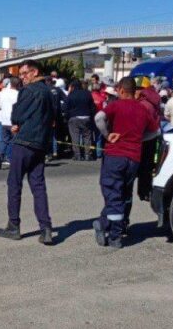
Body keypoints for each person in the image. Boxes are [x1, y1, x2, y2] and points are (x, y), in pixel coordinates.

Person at [92, 76, 160, 248]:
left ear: (122, 90)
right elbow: (155, 131)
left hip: (115, 155)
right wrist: (137, 138)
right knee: (123, 193)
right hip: (134, 158)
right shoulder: (143, 109)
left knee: (112, 192)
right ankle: (108, 224)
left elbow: (99, 118)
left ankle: (112, 233)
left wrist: (107, 135)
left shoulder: (116, 105)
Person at [0, 60, 55, 245]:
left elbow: (17, 114)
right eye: (20, 74)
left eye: (24, 73)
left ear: (34, 71)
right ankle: (46, 228)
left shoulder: (28, 91)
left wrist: (18, 123)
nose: (22, 77)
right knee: (38, 185)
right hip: (41, 143)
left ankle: (14, 225)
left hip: (24, 141)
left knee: (14, 183)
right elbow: (54, 116)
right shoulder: (49, 92)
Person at [64, 79, 97, 161]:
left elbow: (66, 107)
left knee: (75, 137)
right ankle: (87, 154)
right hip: (86, 117)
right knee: (87, 136)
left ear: (73, 87)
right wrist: (92, 117)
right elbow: (92, 107)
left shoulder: (71, 95)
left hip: (74, 117)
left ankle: (77, 155)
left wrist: (67, 117)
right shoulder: (87, 93)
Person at [0, 77, 19, 170]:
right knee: (13, 142)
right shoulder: (18, 94)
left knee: (4, 141)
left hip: (3, 120)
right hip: (13, 121)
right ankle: (11, 159)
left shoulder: (2, 93)